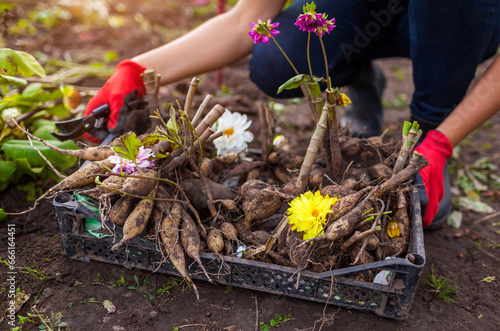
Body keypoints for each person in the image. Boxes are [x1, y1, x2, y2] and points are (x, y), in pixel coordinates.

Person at [82, 0, 500, 229]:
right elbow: (247, 18)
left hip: (465, 18)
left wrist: (444, 140)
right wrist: (136, 70)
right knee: (275, 62)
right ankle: (353, 79)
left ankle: (431, 131)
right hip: (374, 10)